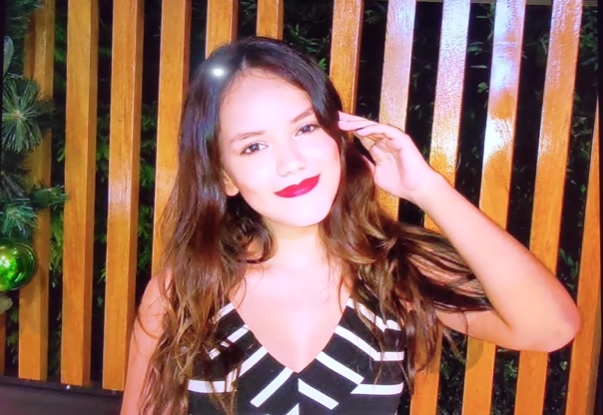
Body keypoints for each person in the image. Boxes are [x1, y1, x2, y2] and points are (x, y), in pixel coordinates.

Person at [120, 37, 579, 415]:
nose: (292, 163)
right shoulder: (183, 293)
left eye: (305, 129)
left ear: (336, 136)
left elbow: (550, 327)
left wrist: (427, 189)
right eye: (254, 147)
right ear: (224, 177)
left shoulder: (395, 272)